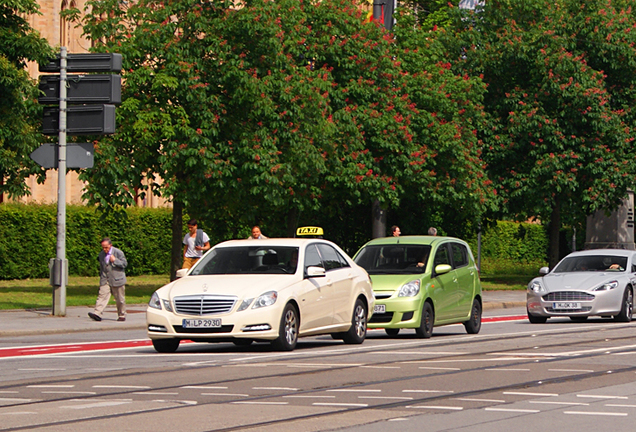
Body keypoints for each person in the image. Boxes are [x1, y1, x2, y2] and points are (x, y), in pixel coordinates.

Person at [88, 238, 127, 322]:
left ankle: (121, 315)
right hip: (106, 279)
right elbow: (102, 268)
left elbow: (124, 264)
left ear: (110, 245)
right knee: (102, 296)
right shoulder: (101, 254)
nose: (105, 249)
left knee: (120, 299)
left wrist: (115, 260)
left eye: (106, 247)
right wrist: (102, 280)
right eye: (103, 247)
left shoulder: (118, 252)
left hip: (117, 279)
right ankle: (97, 313)